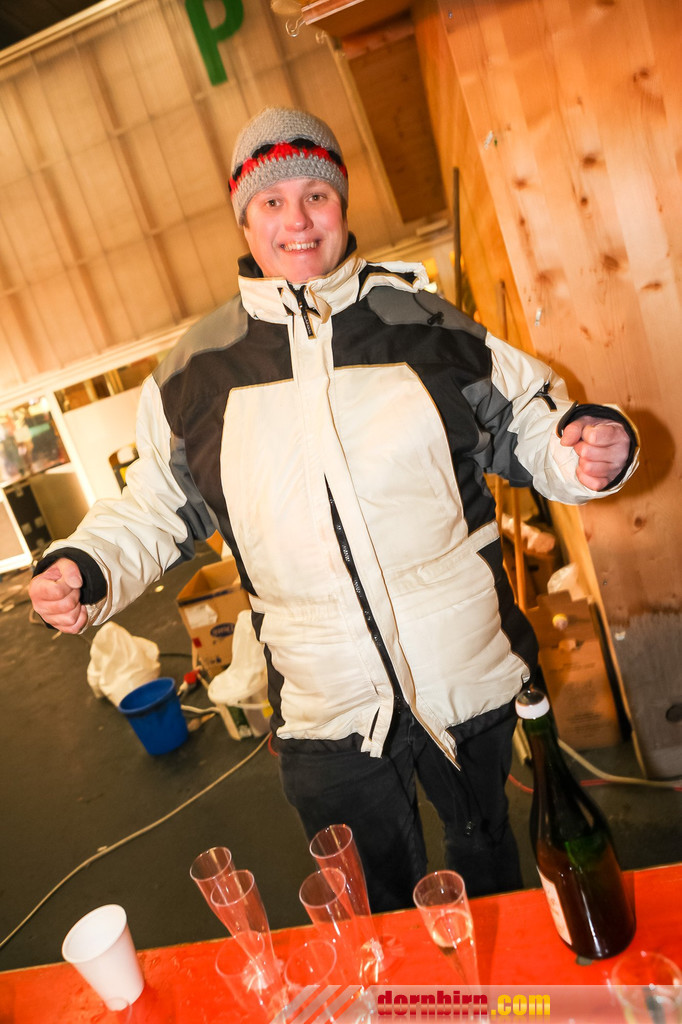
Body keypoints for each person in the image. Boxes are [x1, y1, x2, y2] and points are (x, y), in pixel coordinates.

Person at [29, 107, 638, 911]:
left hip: (466, 675)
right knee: (373, 904)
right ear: (245, 218)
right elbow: (155, 506)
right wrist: (86, 564)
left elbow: (529, 420)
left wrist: (584, 448)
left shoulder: (425, 325)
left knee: (490, 869)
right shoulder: (193, 373)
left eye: (316, 195)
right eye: (272, 201)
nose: (298, 220)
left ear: (343, 206)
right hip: (323, 705)